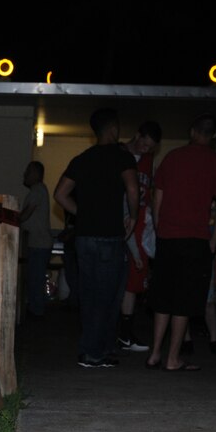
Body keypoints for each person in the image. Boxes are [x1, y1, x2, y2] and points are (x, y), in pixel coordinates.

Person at [145, 113, 216, 371]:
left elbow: (156, 200)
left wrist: (161, 231)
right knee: (183, 299)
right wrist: (213, 243)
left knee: (163, 297)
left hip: (168, 237)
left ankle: (155, 354)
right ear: (214, 135)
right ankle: (173, 358)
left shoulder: (171, 158)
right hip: (196, 240)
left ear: (192, 131)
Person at [54, 108, 138, 368]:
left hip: (84, 237)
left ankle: (93, 350)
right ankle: (94, 351)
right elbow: (132, 187)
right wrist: (133, 216)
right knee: (109, 295)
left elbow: (60, 194)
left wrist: (83, 212)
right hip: (109, 237)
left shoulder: (82, 159)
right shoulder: (121, 158)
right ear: (113, 129)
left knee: (89, 294)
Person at [117, 121, 162, 352]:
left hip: (139, 225)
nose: (146, 150)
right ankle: (115, 331)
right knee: (115, 279)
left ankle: (125, 332)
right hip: (119, 222)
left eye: (151, 148)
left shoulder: (147, 161)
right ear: (137, 135)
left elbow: (149, 191)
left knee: (134, 281)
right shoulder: (120, 154)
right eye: (144, 144)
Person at [19, 160, 54, 319]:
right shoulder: (39, 190)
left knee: (35, 278)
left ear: (35, 174)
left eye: (28, 171)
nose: (25, 175)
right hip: (39, 242)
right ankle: (36, 308)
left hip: (38, 243)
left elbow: (25, 214)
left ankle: (37, 311)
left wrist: (11, 219)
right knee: (35, 278)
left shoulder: (37, 191)